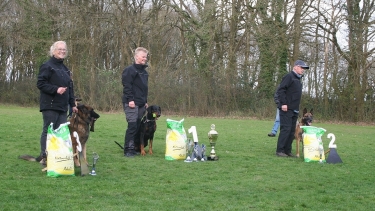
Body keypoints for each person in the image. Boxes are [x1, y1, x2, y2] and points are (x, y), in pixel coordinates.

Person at [36, 41, 78, 163]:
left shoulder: (66, 69)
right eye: (60, 49)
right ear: (53, 51)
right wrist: (56, 89)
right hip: (50, 104)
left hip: (63, 106)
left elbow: (70, 89)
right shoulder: (47, 66)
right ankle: (44, 156)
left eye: (64, 49)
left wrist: (73, 104)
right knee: (49, 130)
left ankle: (57, 157)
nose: (62, 51)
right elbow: (41, 83)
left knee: (61, 133)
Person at [275, 60, 309, 157]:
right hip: (286, 108)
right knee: (285, 129)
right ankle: (280, 150)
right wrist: (284, 103)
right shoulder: (289, 76)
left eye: (304, 69)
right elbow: (281, 90)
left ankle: (287, 151)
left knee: (291, 131)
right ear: (295, 67)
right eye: (302, 68)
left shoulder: (298, 79)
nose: (303, 70)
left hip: (294, 109)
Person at [122, 47, 149, 157]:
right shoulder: (129, 70)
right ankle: (128, 149)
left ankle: (135, 147)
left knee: (138, 126)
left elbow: (144, 88)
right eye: (143, 56)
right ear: (136, 57)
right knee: (132, 126)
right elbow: (127, 86)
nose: (145, 59)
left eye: (146, 57)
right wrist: (130, 100)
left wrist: (145, 101)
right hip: (131, 103)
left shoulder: (145, 73)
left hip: (141, 103)